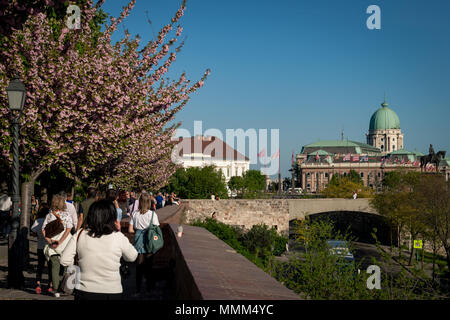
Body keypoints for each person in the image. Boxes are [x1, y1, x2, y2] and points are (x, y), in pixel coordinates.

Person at [61, 200, 138, 300]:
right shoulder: (118, 237)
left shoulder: (80, 234)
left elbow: (64, 260)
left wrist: (78, 263)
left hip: (84, 289)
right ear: (112, 217)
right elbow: (132, 256)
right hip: (112, 290)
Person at [128, 193, 160, 294]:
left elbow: (130, 230)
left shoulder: (135, 214)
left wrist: (138, 231)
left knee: (139, 266)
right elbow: (156, 228)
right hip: (149, 240)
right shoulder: (152, 214)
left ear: (140, 202)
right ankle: (149, 287)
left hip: (138, 240)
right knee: (149, 265)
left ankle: (138, 288)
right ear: (149, 202)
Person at [42, 194, 73, 297]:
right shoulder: (67, 215)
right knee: (65, 266)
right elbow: (69, 229)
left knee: (54, 266)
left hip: (53, 243)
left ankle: (55, 289)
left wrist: (49, 241)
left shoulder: (49, 215)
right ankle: (64, 288)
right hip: (65, 244)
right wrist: (61, 241)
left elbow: (43, 230)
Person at [31, 203, 50, 294]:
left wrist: (38, 235)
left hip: (40, 246)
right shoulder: (50, 221)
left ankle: (38, 284)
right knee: (50, 266)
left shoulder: (37, 221)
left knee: (40, 266)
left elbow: (33, 233)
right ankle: (50, 285)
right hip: (49, 247)